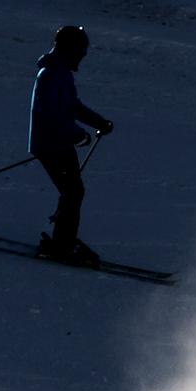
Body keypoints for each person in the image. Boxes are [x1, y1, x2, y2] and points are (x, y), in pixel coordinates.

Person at [28, 24, 113, 267]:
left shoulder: (61, 73)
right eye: (81, 50)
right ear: (70, 49)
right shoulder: (51, 74)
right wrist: (76, 134)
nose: (83, 55)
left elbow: (71, 106)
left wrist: (98, 122)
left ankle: (62, 241)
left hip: (58, 143)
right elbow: (51, 112)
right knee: (73, 191)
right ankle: (61, 245)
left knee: (73, 191)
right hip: (50, 144)